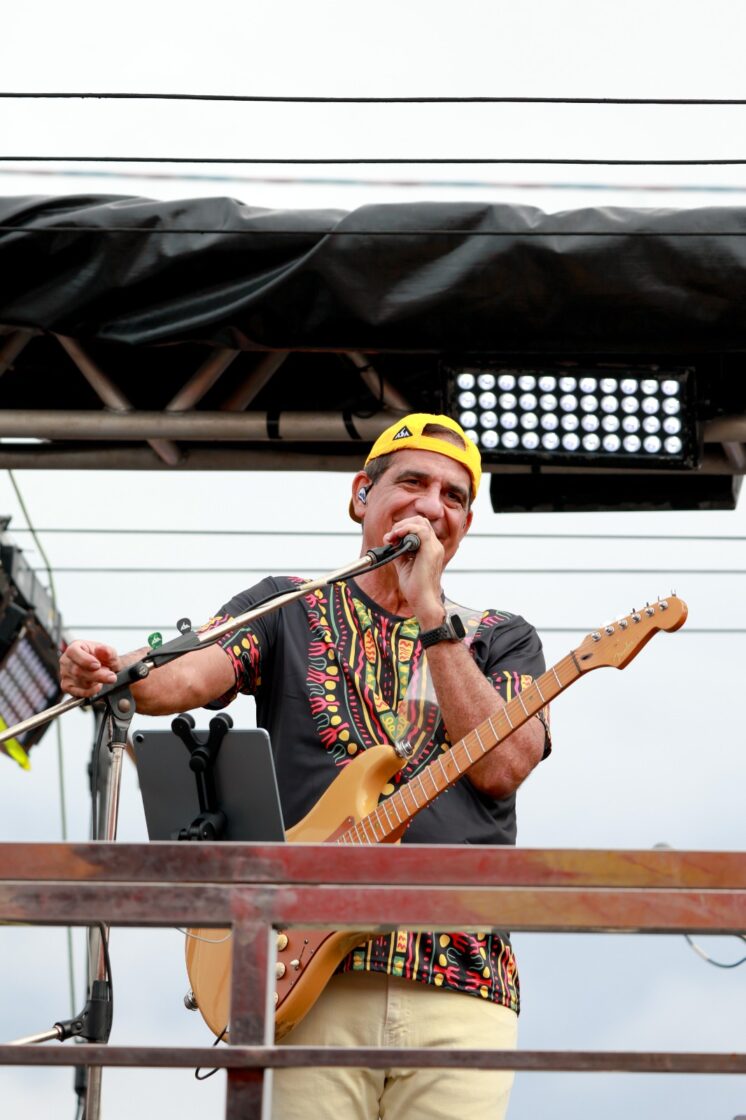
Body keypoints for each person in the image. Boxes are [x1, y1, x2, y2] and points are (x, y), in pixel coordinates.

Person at [59, 413, 550, 1120]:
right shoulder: (288, 606)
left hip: (460, 982)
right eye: (413, 482)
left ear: (465, 526)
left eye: (453, 496)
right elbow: (188, 672)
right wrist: (115, 669)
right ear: (361, 496)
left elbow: (504, 764)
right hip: (309, 975)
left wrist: (429, 609)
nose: (432, 505)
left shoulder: (503, 638)